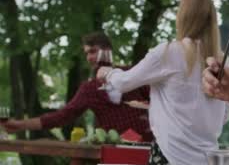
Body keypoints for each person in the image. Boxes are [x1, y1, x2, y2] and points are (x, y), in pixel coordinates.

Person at [96, 0, 229, 165]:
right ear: (212, 19)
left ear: (183, 16)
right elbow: (224, 115)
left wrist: (107, 73)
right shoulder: (224, 61)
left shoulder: (169, 52)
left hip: (169, 161)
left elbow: (124, 82)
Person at [2, 32, 152, 141]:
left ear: (108, 51)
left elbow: (160, 100)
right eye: (87, 53)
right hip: (114, 152)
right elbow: (60, 117)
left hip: (151, 148)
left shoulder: (132, 73)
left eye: (93, 51)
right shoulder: (89, 89)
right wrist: (20, 125)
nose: (89, 57)